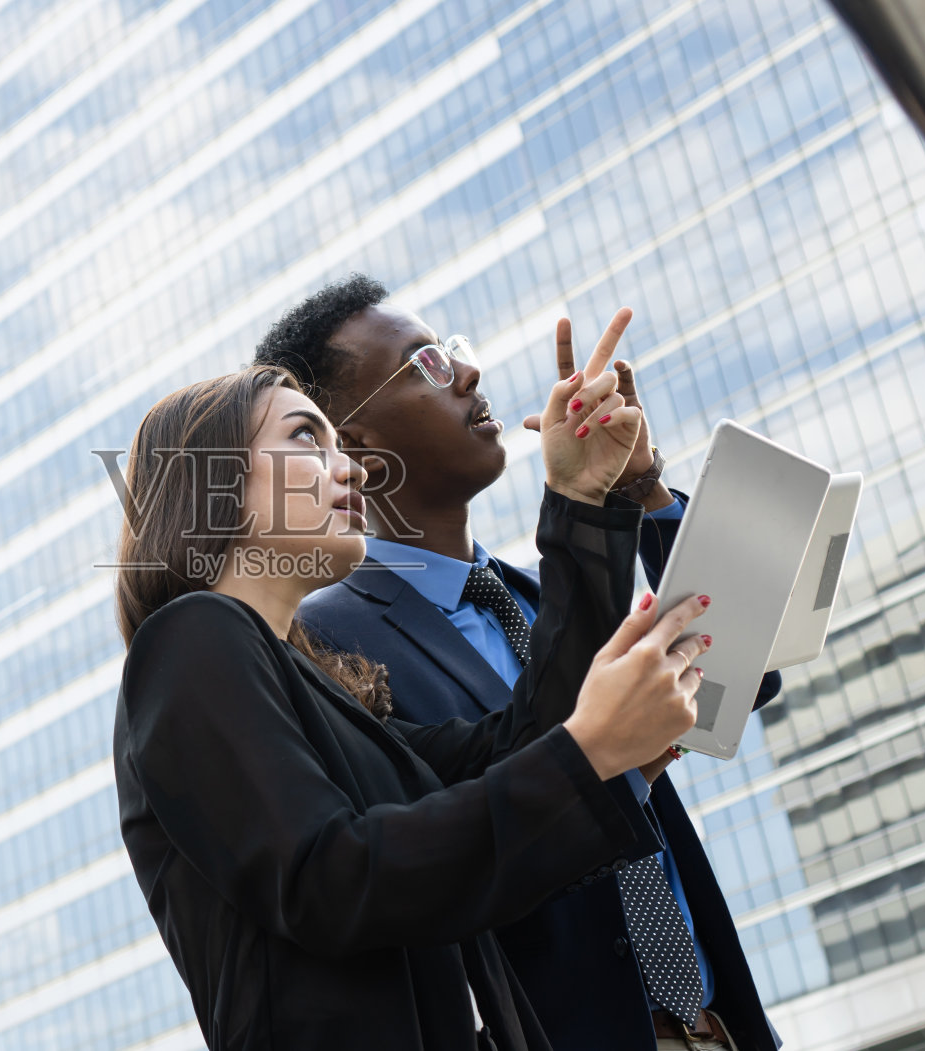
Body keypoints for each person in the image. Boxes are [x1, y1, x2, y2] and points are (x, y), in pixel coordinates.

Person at [112, 362, 712, 1050]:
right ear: (210, 479)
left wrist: (579, 498)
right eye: (307, 438)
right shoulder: (190, 638)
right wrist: (590, 752)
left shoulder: (332, 697)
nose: (352, 471)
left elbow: (527, 739)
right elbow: (329, 877)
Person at [253, 275, 783, 1051]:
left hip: (718, 1025)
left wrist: (640, 488)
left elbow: (739, 680)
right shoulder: (330, 650)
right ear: (353, 444)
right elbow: (455, 849)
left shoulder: (555, 591)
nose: (468, 373)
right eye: (426, 364)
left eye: (455, 350)